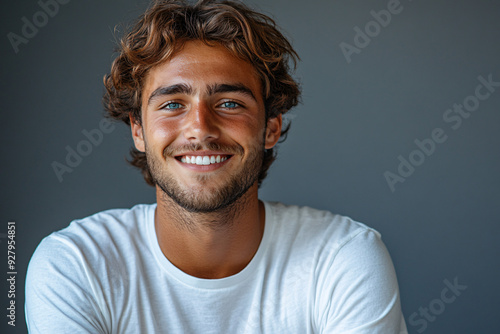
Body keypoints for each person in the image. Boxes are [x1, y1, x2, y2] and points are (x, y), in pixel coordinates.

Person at [25, 0, 408, 333]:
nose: (200, 130)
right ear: (138, 131)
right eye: (173, 104)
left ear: (270, 127)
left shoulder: (343, 258)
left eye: (229, 103)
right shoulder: (75, 266)